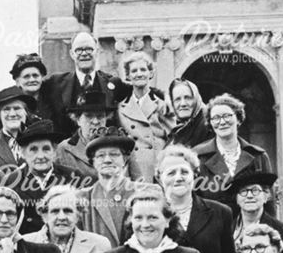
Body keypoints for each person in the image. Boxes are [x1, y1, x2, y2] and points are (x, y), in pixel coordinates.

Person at [156, 144, 241, 253]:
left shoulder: (220, 213)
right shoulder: (148, 215)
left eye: (184, 172)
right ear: (159, 178)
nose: (178, 178)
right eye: (171, 173)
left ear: (195, 176)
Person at [38, 32, 130, 137]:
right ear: (72, 54)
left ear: (97, 52)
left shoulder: (114, 83)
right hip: (67, 150)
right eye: (79, 50)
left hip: (102, 149)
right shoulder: (55, 83)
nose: (84, 53)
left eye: (89, 49)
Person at [193, 93, 273, 215]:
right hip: (212, 229)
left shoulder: (259, 156)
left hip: (249, 229)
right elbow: (193, 203)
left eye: (227, 116)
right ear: (210, 123)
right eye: (216, 118)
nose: (222, 122)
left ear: (238, 118)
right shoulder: (197, 156)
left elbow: (268, 203)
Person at [6, 119, 88, 235]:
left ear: (54, 151)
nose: (40, 156)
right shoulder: (12, 181)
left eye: (46, 149)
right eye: (33, 150)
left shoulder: (73, 177)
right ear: (23, 153)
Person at [117, 51, 174, 183]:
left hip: (157, 165)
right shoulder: (121, 108)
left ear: (150, 74)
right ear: (128, 76)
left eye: (143, 69)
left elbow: (173, 136)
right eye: (134, 71)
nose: (139, 74)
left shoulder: (162, 105)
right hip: (133, 167)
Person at [78, 127, 136, 247]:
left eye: (114, 154)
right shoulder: (81, 197)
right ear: (92, 162)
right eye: (100, 156)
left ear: (125, 159)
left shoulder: (143, 192)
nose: (107, 160)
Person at [55, 91, 111, 183]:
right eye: (89, 116)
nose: (96, 122)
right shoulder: (64, 149)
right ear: (78, 120)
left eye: (100, 116)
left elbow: (137, 184)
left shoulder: (122, 145)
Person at [0, 86, 36, 169]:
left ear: (26, 113)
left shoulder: (42, 141)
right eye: (6, 109)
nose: (12, 114)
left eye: (17, 108)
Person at [167, 79, 212, 148]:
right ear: (172, 103)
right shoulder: (177, 131)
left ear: (196, 99)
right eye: (177, 99)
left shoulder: (207, 126)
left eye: (187, 98)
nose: (183, 104)